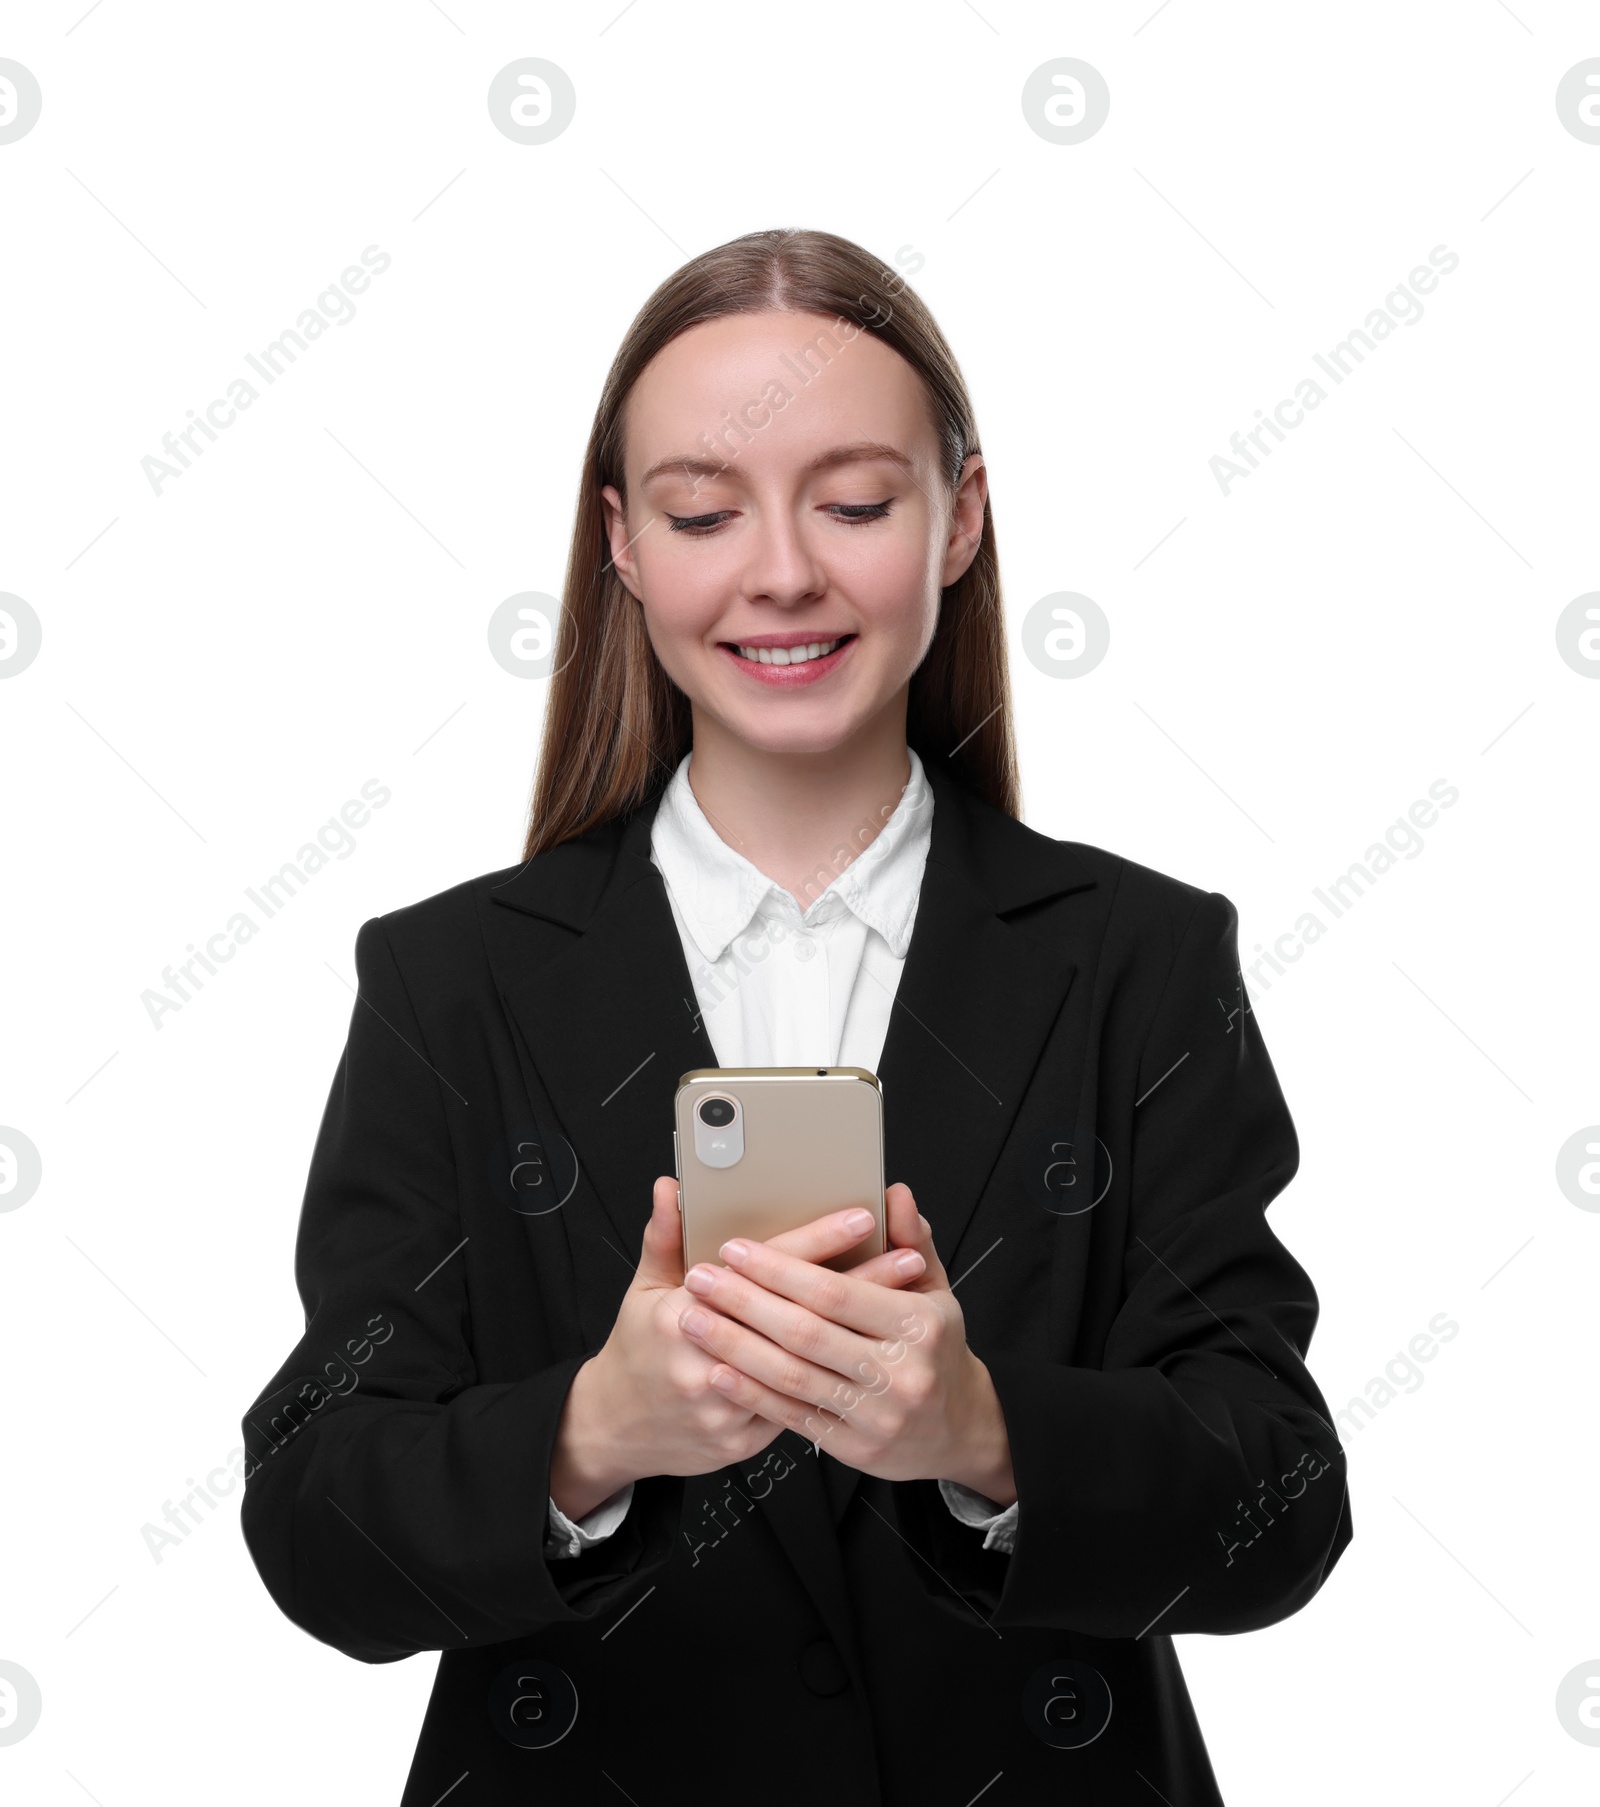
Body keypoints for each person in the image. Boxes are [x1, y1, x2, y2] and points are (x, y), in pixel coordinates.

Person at [239, 227, 1352, 1805]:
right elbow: (311, 1517)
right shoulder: (450, 982)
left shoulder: (1142, 960)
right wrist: (588, 1436)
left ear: (960, 518)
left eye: (854, 502)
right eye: (704, 510)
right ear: (622, 546)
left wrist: (985, 1435)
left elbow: (1284, 1497)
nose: (781, 570)